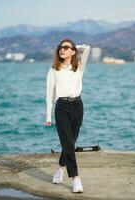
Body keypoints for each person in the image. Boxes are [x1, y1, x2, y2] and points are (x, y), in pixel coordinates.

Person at [46, 38, 91, 193]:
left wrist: (75, 47)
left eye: (66, 48)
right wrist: (48, 115)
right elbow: (49, 94)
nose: (62, 50)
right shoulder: (54, 69)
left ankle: (60, 167)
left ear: (72, 52)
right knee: (68, 144)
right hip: (62, 108)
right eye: (60, 47)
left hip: (78, 106)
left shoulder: (79, 67)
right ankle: (75, 179)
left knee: (70, 143)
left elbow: (88, 48)